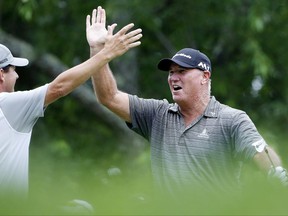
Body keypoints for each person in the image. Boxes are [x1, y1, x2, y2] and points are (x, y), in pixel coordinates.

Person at [86, 6, 288, 194]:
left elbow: (260, 150)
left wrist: (275, 171)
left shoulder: (232, 119)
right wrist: (98, 51)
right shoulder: (157, 115)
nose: (173, 77)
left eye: (181, 71)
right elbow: (108, 97)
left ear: (204, 77)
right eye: (171, 72)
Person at [0, 19, 142, 199]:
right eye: (13, 69)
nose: (18, 74)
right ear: (1, 74)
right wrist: (106, 53)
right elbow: (59, 87)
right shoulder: (6, 104)